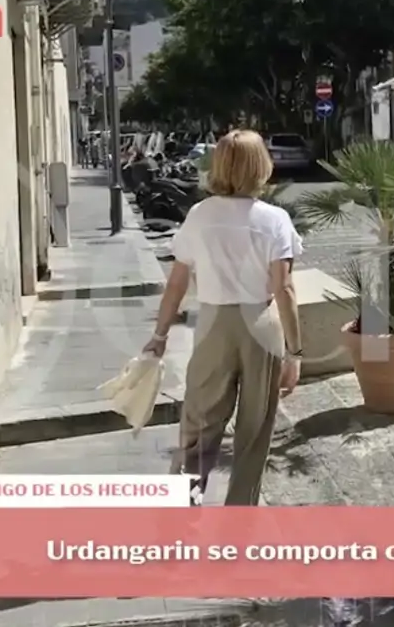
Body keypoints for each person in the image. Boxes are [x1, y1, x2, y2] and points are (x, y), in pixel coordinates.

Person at [143, 129, 303, 506]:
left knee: (199, 422)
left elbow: (177, 283)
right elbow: (284, 288)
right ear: (261, 165)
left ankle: (185, 505)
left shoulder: (200, 215)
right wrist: (295, 353)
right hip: (261, 323)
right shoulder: (274, 219)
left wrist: (160, 335)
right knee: (255, 429)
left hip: (213, 323)